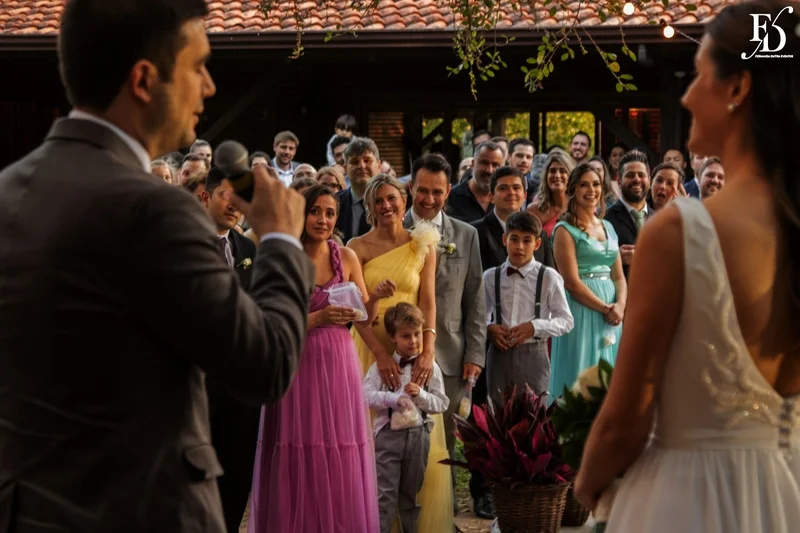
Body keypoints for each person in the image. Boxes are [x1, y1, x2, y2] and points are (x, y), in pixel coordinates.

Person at [0, 1, 314, 531]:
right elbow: (265, 364)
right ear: (144, 80)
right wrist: (282, 238)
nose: (209, 86)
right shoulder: (155, 210)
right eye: (198, 66)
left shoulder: (8, 191)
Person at [576, 3, 800, 532]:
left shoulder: (680, 231)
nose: (686, 96)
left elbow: (627, 420)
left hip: (689, 500)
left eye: (698, 75)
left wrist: (588, 482)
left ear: (737, 87)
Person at [249, 185, 393, 533]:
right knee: (296, 443)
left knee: (338, 445)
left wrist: (374, 298)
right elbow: (269, 318)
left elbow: (363, 318)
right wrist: (319, 318)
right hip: (294, 361)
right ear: (301, 213)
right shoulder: (284, 256)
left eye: (330, 213)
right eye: (315, 211)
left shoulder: (346, 257)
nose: (323, 219)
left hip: (339, 362)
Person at [348, 174, 454, 533]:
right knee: (371, 436)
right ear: (369, 206)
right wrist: (380, 353)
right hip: (370, 347)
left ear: (404, 201)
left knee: (414, 434)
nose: (386, 206)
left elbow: (428, 301)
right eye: (378, 200)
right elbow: (357, 308)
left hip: (413, 345)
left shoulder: (422, 244)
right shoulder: (356, 247)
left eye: (391, 198)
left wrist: (428, 350)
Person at [364, 302, 450, 533]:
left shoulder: (430, 368)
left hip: (418, 437)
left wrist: (420, 394)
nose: (413, 341)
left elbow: (442, 403)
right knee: (384, 495)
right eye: (406, 336)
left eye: (417, 334)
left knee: (410, 495)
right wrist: (391, 399)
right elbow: (364, 396)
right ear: (393, 337)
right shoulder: (382, 368)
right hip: (387, 438)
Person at [549, 164, 626, 402]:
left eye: (595, 184)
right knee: (581, 371)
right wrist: (605, 308)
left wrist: (620, 306)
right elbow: (571, 282)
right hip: (581, 310)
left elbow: (618, 276)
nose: (591, 190)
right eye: (584, 185)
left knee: (611, 373)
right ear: (573, 190)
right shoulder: (564, 230)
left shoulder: (608, 227)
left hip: (613, 314)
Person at [483, 212, 573, 405]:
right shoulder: (490, 277)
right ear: (505, 239)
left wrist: (535, 327)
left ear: (537, 244)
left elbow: (566, 321)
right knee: (496, 413)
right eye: (514, 239)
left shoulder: (549, 277)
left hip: (534, 355)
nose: (520, 247)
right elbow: (479, 317)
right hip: (498, 357)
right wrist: (488, 328)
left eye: (527, 240)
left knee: (534, 413)